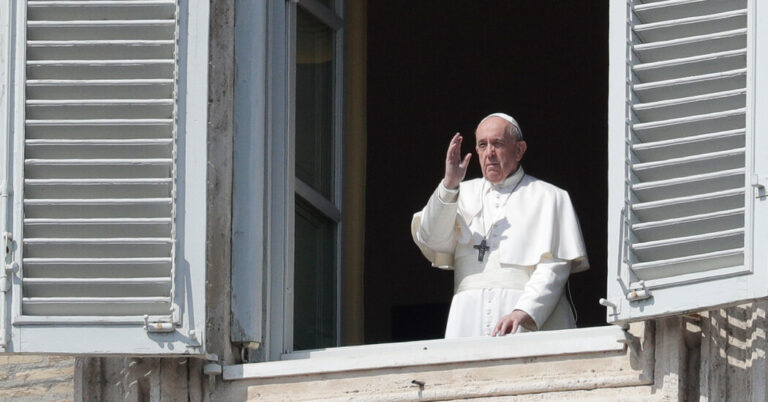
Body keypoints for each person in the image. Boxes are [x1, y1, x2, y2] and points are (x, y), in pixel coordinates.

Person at [411, 113, 589, 338]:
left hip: (525, 317)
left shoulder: (549, 196)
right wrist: (449, 184)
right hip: (467, 318)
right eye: (482, 145)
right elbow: (431, 238)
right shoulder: (459, 193)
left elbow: (554, 265)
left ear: (519, 150)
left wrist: (524, 311)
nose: (489, 153)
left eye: (497, 144)